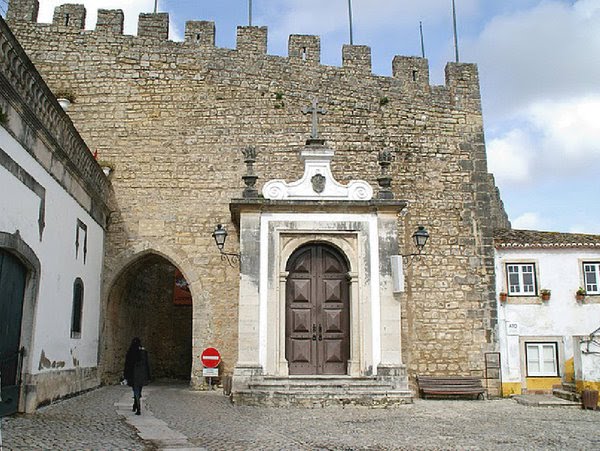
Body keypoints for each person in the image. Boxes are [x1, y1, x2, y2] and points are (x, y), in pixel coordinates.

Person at [123, 337, 151, 415]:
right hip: (142, 374)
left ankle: (137, 405)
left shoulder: (130, 352)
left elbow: (127, 365)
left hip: (133, 374)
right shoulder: (143, 352)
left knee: (135, 390)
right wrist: (148, 375)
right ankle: (136, 403)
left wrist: (125, 375)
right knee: (139, 390)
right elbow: (147, 364)